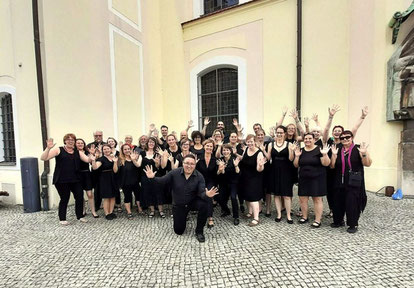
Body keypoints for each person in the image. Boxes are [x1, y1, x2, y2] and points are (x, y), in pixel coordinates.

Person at [143, 154, 219, 242]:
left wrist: (207, 195)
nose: (189, 166)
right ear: (183, 163)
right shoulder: (174, 173)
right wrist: (152, 178)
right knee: (179, 231)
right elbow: (161, 182)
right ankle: (181, 218)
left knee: (205, 204)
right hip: (179, 205)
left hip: (192, 202)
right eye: (187, 163)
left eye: (192, 164)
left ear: (195, 165)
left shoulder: (199, 176)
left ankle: (199, 231)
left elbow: (201, 192)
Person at [40, 134, 89, 225]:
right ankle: (62, 218)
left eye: (72, 140)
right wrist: (48, 148)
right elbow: (43, 158)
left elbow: (87, 160)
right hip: (62, 180)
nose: (70, 141)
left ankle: (80, 216)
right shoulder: (59, 150)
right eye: (68, 139)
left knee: (79, 196)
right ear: (65, 141)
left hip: (76, 179)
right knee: (64, 198)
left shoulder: (77, 152)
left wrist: (93, 156)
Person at [329, 131, 372, 233]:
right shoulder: (338, 149)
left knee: (352, 202)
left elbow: (368, 164)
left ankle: (353, 224)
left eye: (347, 137)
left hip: (354, 181)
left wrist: (364, 153)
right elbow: (332, 166)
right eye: (342, 138)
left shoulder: (358, 148)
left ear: (352, 138)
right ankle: (338, 221)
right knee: (337, 201)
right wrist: (334, 156)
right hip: (339, 180)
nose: (345, 139)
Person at [293, 133, 330, 228]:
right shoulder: (300, 150)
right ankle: (304, 217)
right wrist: (297, 156)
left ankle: (318, 220)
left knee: (317, 199)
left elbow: (326, 164)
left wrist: (325, 154)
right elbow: (296, 165)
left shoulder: (319, 149)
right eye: (305, 138)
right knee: (303, 199)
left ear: (314, 140)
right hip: (303, 178)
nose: (307, 140)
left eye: (310, 138)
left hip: (317, 178)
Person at [266, 126, 295, 224]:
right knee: (277, 194)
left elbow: (291, 159)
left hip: (286, 171)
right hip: (274, 171)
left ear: (285, 133)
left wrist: (292, 150)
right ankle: (278, 214)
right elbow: (268, 158)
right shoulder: (271, 144)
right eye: (277, 132)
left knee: (286, 195)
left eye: (281, 132)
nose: (279, 134)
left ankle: (288, 215)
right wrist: (262, 150)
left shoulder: (289, 144)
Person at [239, 134, 267, 226]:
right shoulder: (246, 149)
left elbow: (260, 170)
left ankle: (256, 218)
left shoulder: (259, 153)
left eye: (251, 141)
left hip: (255, 178)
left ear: (255, 141)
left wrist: (260, 165)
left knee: (253, 198)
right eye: (248, 141)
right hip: (245, 177)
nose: (249, 143)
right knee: (247, 196)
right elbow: (243, 160)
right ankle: (250, 213)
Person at [90, 144, 119, 220]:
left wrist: (115, 162)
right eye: (105, 149)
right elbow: (95, 167)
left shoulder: (114, 158)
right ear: (102, 151)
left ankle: (111, 212)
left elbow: (115, 170)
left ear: (111, 149)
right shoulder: (101, 159)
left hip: (113, 178)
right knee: (106, 197)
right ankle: (107, 213)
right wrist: (93, 160)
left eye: (108, 149)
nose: (106, 150)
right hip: (104, 179)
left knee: (112, 196)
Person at [138, 137, 164, 218]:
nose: (151, 143)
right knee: (148, 193)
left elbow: (158, 166)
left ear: (155, 144)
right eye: (149, 142)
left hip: (156, 175)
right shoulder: (142, 153)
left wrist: (157, 163)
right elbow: (138, 164)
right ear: (147, 143)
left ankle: (161, 211)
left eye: (153, 142)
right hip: (145, 176)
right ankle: (152, 210)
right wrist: (134, 160)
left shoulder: (157, 154)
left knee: (158, 192)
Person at [217, 144, 241, 225]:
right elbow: (218, 173)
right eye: (224, 150)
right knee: (219, 198)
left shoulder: (234, 159)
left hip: (233, 183)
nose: (225, 151)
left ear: (230, 151)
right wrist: (221, 169)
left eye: (227, 150)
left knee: (233, 198)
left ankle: (236, 217)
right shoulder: (220, 160)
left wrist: (236, 165)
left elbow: (238, 172)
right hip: (223, 183)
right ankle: (227, 210)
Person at [196, 139, 218, 228]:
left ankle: (210, 218)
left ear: (213, 148)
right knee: (203, 197)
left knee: (209, 195)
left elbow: (216, 173)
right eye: (207, 146)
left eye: (211, 146)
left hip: (211, 181)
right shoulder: (198, 157)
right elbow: (195, 171)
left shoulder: (215, 159)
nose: (209, 147)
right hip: (200, 180)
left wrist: (220, 170)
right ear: (204, 147)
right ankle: (203, 212)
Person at [75, 138, 99, 218]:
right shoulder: (73, 153)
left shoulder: (87, 152)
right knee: (79, 194)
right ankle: (83, 210)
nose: (80, 144)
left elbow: (92, 162)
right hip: (77, 175)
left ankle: (93, 211)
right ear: (75, 144)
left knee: (89, 194)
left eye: (82, 143)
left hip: (86, 174)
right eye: (78, 143)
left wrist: (93, 155)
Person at [118, 144, 142, 219]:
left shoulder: (135, 156)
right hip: (126, 182)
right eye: (125, 149)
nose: (127, 150)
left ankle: (140, 209)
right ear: (122, 151)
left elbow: (138, 166)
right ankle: (129, 212)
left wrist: (133, 159)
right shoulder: (120, 159)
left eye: (128, 149)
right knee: (127, 197)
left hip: (135, 181)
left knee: (138, 196)